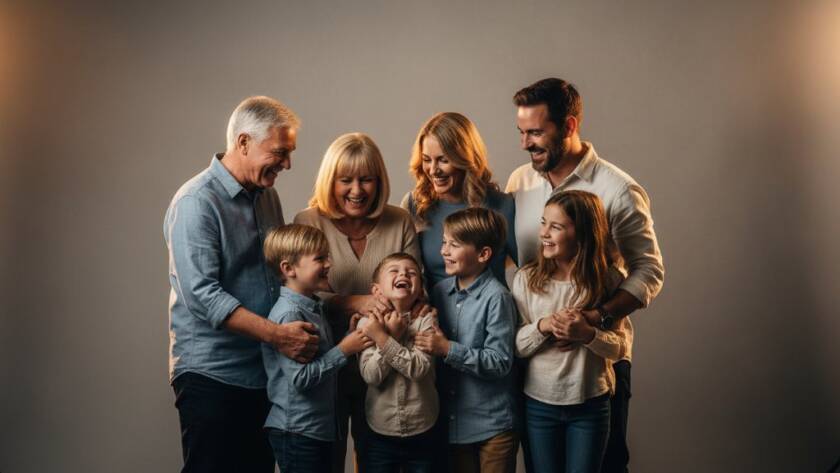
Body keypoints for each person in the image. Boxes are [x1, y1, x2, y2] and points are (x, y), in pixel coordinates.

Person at [506, 78, 665, 473]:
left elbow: (649, 270)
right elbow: (515, 263)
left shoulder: (618, 189)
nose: (526, 143)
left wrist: (595, 318)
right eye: (522, 133)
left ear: (570, 126)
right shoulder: (519, 183)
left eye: (537, 132)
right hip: (535, 362)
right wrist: (542, 324)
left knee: (605, 466)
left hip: (597, 363)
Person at [163, 96, 320, 473]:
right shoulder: (195, 202)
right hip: (211, 374)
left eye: (290, 153)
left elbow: (281, 275)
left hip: (261, 372)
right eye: (280, 152)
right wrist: (279, 336)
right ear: (244, 142)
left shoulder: (268, 197)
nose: (288, 164)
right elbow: (202, 296)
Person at [294, 132, 423, 472]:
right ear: (329, 181)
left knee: (376, 464)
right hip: (325, 366)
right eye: (345, 180)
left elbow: (414, 291)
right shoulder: (307, 222)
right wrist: (354, 302)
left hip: (385, 370)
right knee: (326, 463)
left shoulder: (400, 221)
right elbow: (299, 296)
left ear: (379, 181)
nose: (357, 190)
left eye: (366, 179)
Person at [513, 191, 631, 473]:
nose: (544, 233)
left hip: (591, 404)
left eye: (556, 227)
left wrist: (585, 334)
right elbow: (515, 346)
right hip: (539, 404)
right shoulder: (527, 280)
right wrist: (544, 326)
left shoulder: (609, 281)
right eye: (544, 223)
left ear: (583, 234)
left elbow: (619, 349)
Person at [261, 224, 374, 473]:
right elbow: (301, 378)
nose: (328, 264)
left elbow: (319, 356)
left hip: (318, 430)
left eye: (327, 256)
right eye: (319, 258)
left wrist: (348, 336)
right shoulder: (289, 314)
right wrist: (344, 349)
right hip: (298, 431)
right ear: (288, 269)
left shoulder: (314, 307)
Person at [415, 208, 518, 473]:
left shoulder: (497, 298)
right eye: (444, 242)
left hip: (492, 426)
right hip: (452, 425)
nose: (443, 251)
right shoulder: (439, 293)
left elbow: (500, 361)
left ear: (483, 254)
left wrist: (447, 349)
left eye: (454, 244)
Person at [403, 112, 518, 291]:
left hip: (488, 315)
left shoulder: (503, 205)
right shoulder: (414, 204)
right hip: (433, 315)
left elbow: (532, 272)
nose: (433, 170)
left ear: (465, 160)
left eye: (443, 160)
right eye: (426, 160)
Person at [357, 253, 439, 473]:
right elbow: (371, 375)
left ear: (420, 290)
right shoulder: (367, 323)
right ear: (377, 290)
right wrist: (390, 336)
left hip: (422, 427)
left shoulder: (426, 321)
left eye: (412, 272)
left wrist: (384, 339)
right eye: (394, 270)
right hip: (380, 430)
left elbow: (419, 369)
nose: (403, 274)